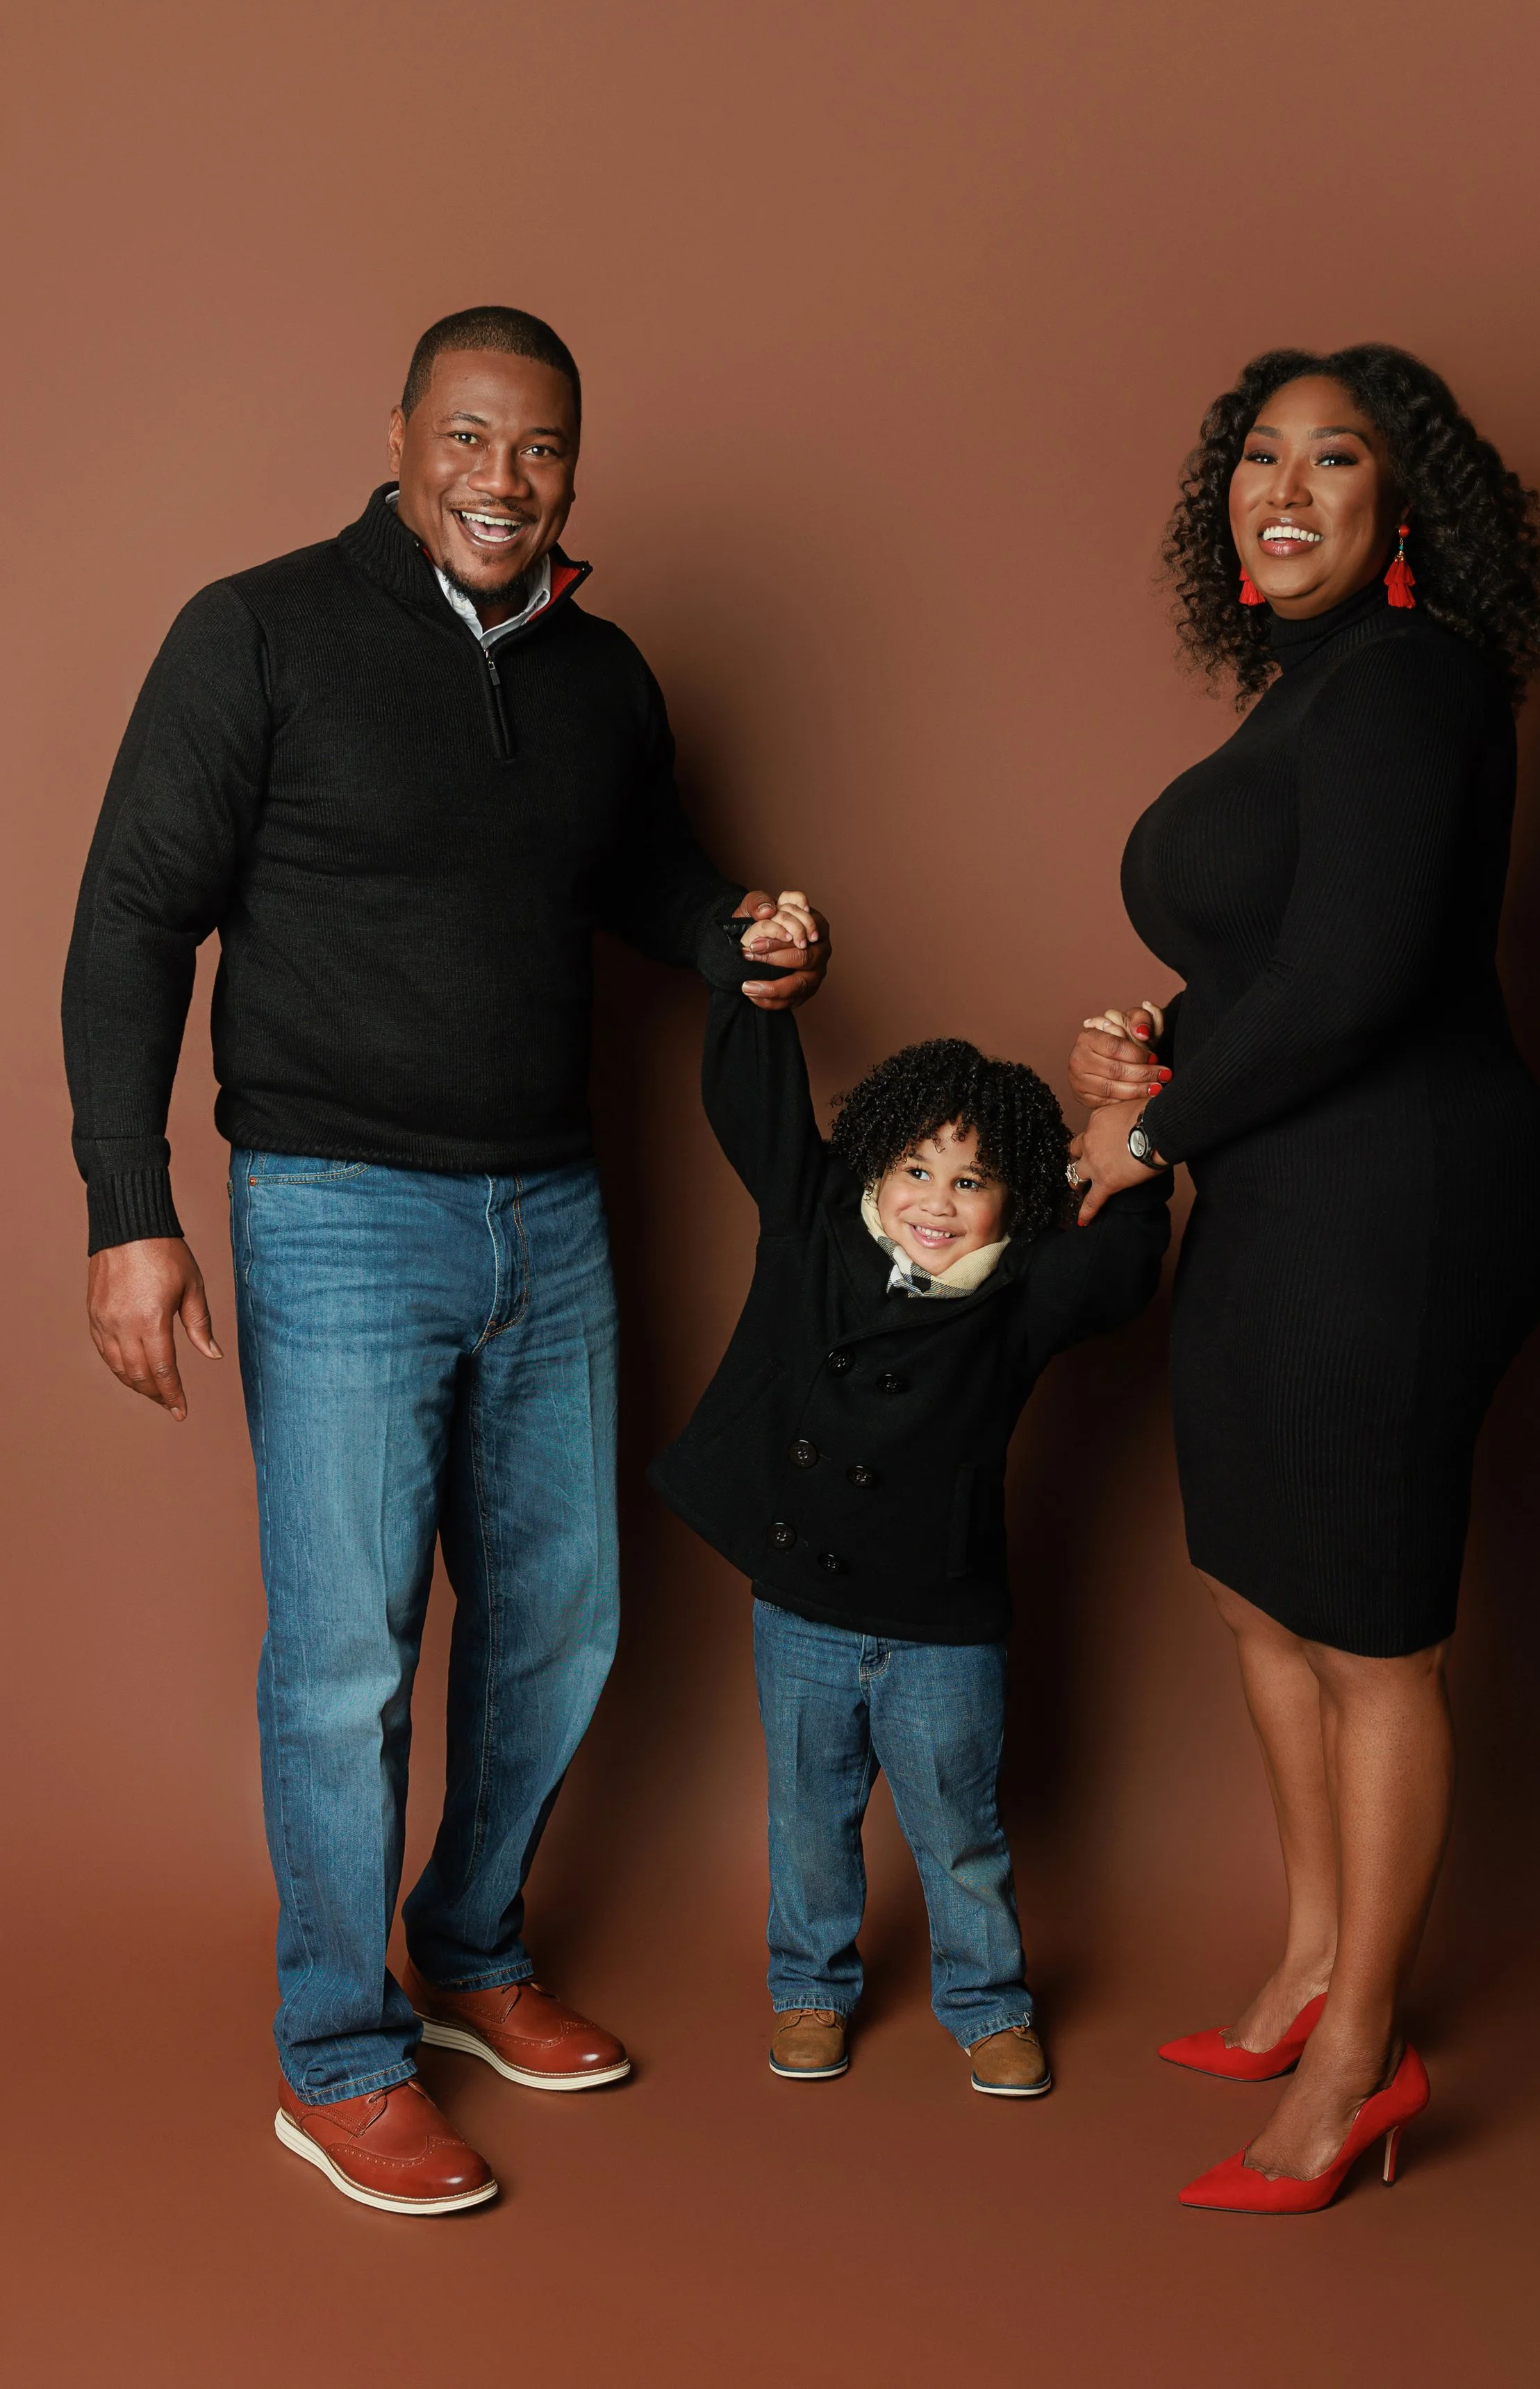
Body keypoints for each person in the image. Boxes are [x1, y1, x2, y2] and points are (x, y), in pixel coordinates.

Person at [62, 306, 831, 2216]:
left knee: (562, 1615)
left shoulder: (601, 674)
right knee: (347, 1655)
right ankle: (339, 2052)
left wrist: (737, 934)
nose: (504, 479)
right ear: (399, 436)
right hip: (332, 1207)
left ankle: (471, 1943)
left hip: (547, 1209)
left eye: (541, 446)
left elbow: (643, 876)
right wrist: (128, 1207)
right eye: (470, 438)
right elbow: (131, 918)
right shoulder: (257, 632)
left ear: (573, 465)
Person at [1068, 343, 1540, 2213]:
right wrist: (1164, 1045)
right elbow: (1293, 956)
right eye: (1257, 456)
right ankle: (1302, 1962)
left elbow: (1361, 983)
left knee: (1367, 1634)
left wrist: (1152, 1138)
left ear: (1401, 501)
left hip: (1404, 1198)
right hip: (1286, 1185)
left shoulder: (1411, 680)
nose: (1280, 491)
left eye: (1331, 458)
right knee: (1253, 1589)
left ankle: (1363, 2054)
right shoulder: (1311, 686)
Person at [649, 909, 1173, 2094]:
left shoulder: (1023, 1292)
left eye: (972, 1181)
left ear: (1014, 1199)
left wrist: (1140, 1140)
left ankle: (988, 2001)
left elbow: (1122, 1269)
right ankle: (809, 1987)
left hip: (943, 1618)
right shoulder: (813, 1225)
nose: (937, 1201)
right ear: (876, 1168)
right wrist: (752, 973)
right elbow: (755, 1105)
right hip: (800, 1603)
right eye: (917, 1170)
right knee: (807, 1817)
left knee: (960, 1827)